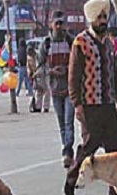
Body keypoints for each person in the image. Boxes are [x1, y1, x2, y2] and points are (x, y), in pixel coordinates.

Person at [64, 0, 117, 195]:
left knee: (115, 151)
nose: (102, 21)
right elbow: (73, 76)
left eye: (104, 17)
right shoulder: (80, 43)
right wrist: (77, 104)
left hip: (107, 104)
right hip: (90, 105)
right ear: (91, 18)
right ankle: (72, 178)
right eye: (99, 17)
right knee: (89, 147)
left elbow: (114, 75)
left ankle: (115, 192)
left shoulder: (108, 43)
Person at [41, 10, 75, 168]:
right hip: (54, 89)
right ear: (52, 24)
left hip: (70, 89)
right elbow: (40, 66)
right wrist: (50, 71)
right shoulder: (46, 44)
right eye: (57, 23)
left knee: (69, 121)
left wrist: (67, 69)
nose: (60, 26)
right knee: (61, 122)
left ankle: (67, 151)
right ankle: (66, 149)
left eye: (62, 23)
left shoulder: (70, 41)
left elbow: (78, 64)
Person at [28, 45, 50, 112]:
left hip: (44, 73)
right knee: (39, 90)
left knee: (46, 90)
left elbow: (43, 66)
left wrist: (35, 74)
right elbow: (30, 68)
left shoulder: (40, 55)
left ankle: (46, 106)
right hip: (38, 75)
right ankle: (38, 106)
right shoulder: (31, 58)